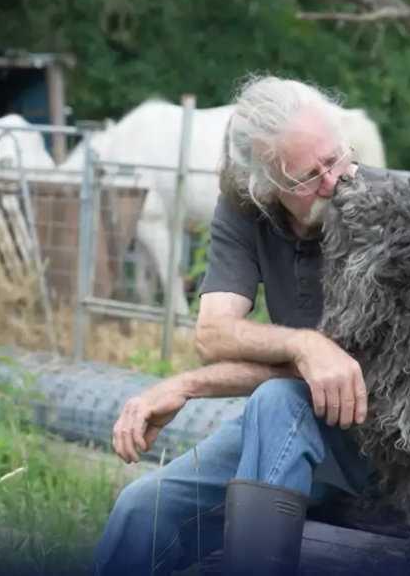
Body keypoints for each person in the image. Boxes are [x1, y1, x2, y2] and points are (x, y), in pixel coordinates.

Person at [94, 75, 381, 575]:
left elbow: (359, 375)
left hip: (381, 437)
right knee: (142, 510)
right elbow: (214, 334)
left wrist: (192, 384)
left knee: (277, 403)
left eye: (336, 159)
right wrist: (305, 345)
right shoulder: (246, 207)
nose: (333, 182)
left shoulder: (381, 212)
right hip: (299, 422)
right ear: (266, 185)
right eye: (307, 177)